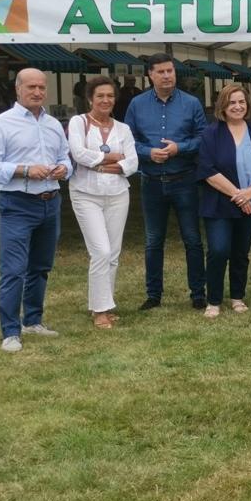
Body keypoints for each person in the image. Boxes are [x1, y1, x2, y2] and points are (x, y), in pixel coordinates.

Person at [0, 68, 72, 353]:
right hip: (17, 204)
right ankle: (10, 331)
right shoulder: (0, 124)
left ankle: (33, 320)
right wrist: (25, 170)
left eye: (42, 87)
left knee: (41, 267)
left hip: (50, 202)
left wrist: (63, 169)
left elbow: (66, 159)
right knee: (14, 270)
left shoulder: (54, 124)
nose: (38, 92)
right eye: (31, 87)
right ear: (17, 89)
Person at [124, 53, 208, 311]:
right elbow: (127, 140)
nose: (167, 76)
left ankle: (198, 293)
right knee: (153, 240)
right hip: (151, 181)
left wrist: (178, 148)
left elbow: (204, 137)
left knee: (192, 239)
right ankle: (153, 295)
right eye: (161, 72)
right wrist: (148, 152)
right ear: (150, 74)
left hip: (184, 180)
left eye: (170, 71)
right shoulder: (136, 105)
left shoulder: (192, 103)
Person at [195, 84, 251, 318]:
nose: (237, 106)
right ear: (223, 105)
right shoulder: (211, 133)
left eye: (241, 102)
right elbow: (207, 169)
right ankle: (214, 300)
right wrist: (239, 196)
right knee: (219, 250)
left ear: (248, 104)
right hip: (219, 203)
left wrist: (250, 193)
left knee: (241, 252)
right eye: (232, 102)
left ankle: (237, 296)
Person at [68, 76, 138, 329]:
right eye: (100, 96)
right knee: (101, 251)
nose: (106, 100)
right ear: (90, 98)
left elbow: (132, 163)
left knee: (114, 253)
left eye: (110, 96)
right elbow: (78, 154)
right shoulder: (79, 122)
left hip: (118, 193)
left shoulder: (123, 128)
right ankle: (99, 310)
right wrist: (112, 157)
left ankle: (105, 305)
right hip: (86, 194)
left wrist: (102, 164)